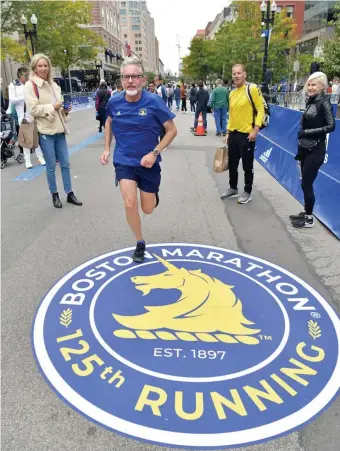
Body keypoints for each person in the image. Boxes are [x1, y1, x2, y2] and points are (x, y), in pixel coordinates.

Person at [100, 57, 177, 262]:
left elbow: (171, 130)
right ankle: (140, 242)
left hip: (149, 163)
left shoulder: (154, 102)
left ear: (142, 80)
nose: (131, 81)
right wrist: (107, 148)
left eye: (135, 77)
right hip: (124, 161)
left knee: (147, 209)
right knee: (129, 203)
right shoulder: (114, 101)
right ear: (121, 80)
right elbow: (108, 122)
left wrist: (154, 153)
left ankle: (152, 196)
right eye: (126, 77)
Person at [24, 53, 82, 208]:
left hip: (59, 129)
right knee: (51, 165)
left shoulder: (55, 85)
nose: (43, 68)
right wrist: (52, 107)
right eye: (40, 66)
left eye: (45, 65)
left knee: (65, 163)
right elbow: (33, 109)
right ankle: (54, 194)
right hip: (44, 131)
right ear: (34, 68)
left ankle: (69, 193)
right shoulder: (30, 86)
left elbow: (59, 107)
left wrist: (65, 110)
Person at [290, 72, 335, 229]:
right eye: (309, 84)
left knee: (307, 184)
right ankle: (306, 211)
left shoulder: (324, 103)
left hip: (316, 149)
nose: (310, 87)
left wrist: (307, 133)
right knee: (304, 184)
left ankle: (309, 219)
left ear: (322, 86)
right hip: (305, 147)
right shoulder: (311, 100)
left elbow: (331, 126)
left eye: (314, 84)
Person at [221, 64, 264, 204]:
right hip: (233, 134)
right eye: (234, 73)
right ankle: (233, 188)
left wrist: (255, 130)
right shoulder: (232, 93)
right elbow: (232, 115)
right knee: (232, 164)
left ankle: (247, 191)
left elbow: (260, 109)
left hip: (247, 135)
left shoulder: (251, 88)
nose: (236, 76)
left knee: (247, 165)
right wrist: (228, 132)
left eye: (239, 73)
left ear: (245, 74)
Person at [7, 67, 46, 169]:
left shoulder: (30, 84)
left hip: (33, 113)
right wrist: (24, 97)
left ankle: (40, 157)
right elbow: (12, 100)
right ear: (20, 75)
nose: (28, 77)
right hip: (22, 115)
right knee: (26, 139)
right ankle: (28, 160)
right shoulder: (13, 85)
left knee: (35, 137)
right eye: (26, 75)